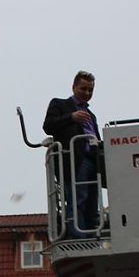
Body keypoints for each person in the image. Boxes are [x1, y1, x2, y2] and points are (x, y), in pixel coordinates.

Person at [43, 71, 102, 238]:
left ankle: (91, 239)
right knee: (78, 200)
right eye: (83, 88)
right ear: (74, 86)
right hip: (75, 160)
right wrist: (71, 117)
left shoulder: (91, 115)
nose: (87, 93)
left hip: (92, 160)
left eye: (90, 90)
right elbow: (48, 126)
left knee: (92, 202)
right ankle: (79, 238)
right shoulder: (59, 104)